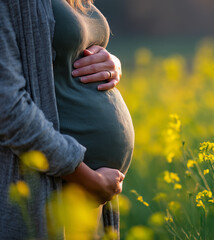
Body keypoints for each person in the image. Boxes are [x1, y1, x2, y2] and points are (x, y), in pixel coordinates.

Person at [0, 0, 133, 239]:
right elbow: (7, 107)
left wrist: (111, 63)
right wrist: (86, 176)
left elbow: (64, 56)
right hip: (47, 191)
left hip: (85, 199)